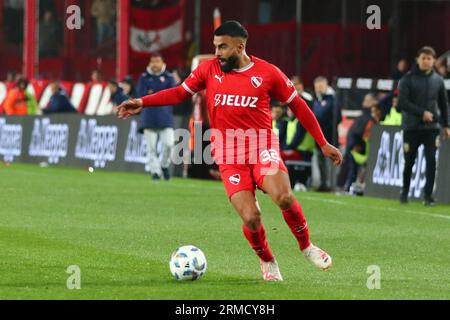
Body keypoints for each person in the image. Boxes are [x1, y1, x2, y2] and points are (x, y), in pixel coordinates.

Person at [117, 21, 342, 281]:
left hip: (261, 146)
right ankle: (268, 260)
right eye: (215, 47)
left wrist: (323, 142)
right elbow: (179, 93)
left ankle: (307, 247)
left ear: (240, 46)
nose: (217, 53)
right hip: (229, 155)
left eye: (222, 47)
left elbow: (299, 106)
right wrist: (142, 102)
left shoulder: (268, 73)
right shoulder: (208, 70)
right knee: (251, 218)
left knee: (284, 197)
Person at [398, 46, 450, 206]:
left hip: (431, 128)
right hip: (412, 127)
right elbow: (403, 103)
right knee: (409, 162)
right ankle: (405, 191)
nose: (427, 61)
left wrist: (446, 125)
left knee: (431, 162)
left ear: (434, 61)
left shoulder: (438, 80)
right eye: (424, 58)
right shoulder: (407, 79)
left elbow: (443, 103)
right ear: (418, 59)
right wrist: (422, 113)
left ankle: (428, 196)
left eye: (429, 59)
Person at [137, 53, 177, 181]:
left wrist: (152, 93)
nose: (155, 64)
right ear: (149, 63)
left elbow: (172, 94)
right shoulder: (143, 77)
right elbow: (141, 95)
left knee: (169, 144)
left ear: (162, 62)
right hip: (148, 118)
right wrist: (160, 93)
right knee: (151, 148)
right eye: (152, 62)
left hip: (165, 118)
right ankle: (155, 172)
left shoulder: (169, 77)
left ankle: (164, 165)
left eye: (157, 61)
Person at [312, 76, 341, 191]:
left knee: (331, 161)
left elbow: (337, 118)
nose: (318, 89)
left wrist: (327, 126)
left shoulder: (332, 100)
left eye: (320, 86)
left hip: (330, 137)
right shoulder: (317, 100)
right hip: (318, 138)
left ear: (326, 85)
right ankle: (323, 183)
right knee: (320, 161)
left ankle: (331, 184)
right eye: (316, 86)